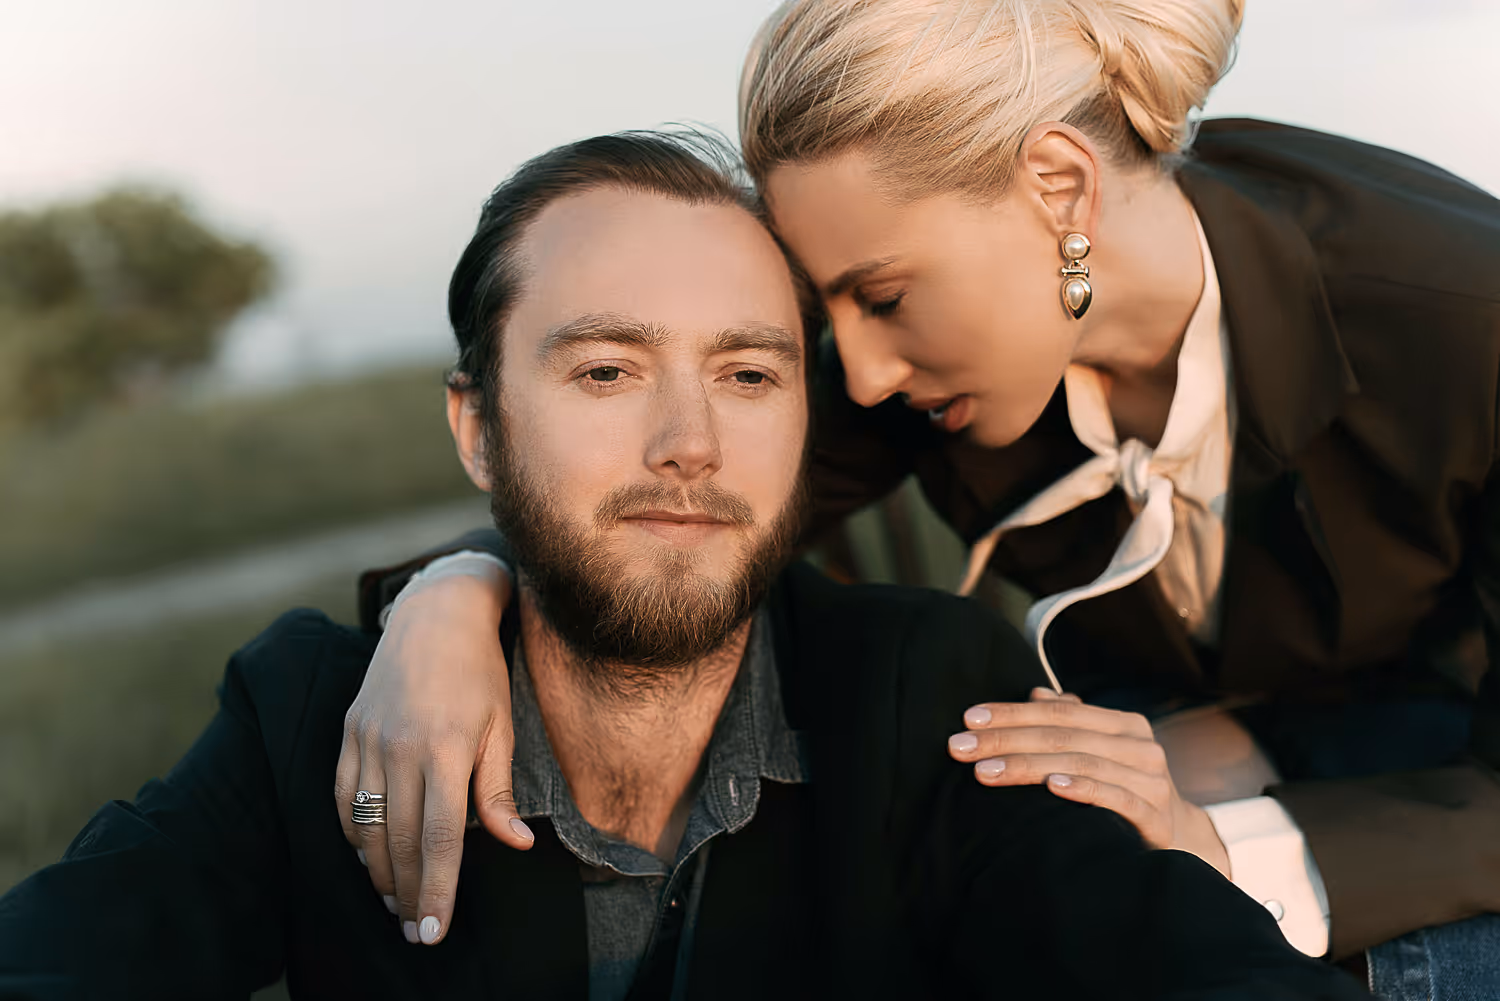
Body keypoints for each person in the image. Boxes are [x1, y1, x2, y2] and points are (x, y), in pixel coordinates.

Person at [0, 132, 1367, 1000]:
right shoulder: (314, 714)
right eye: (606, 370)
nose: (690, 442)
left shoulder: (932, 693)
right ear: (477, 427)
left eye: (749, 373)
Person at [338, 1, 1500, 997]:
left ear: (1058, 186)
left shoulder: (1465, 321)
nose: (861, 375)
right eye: (830, 312)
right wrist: (453, 597)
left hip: (1439, 757)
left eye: (883, 297)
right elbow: (661, 510)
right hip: (1152, 734)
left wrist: (1221, 844)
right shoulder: (921, 344)